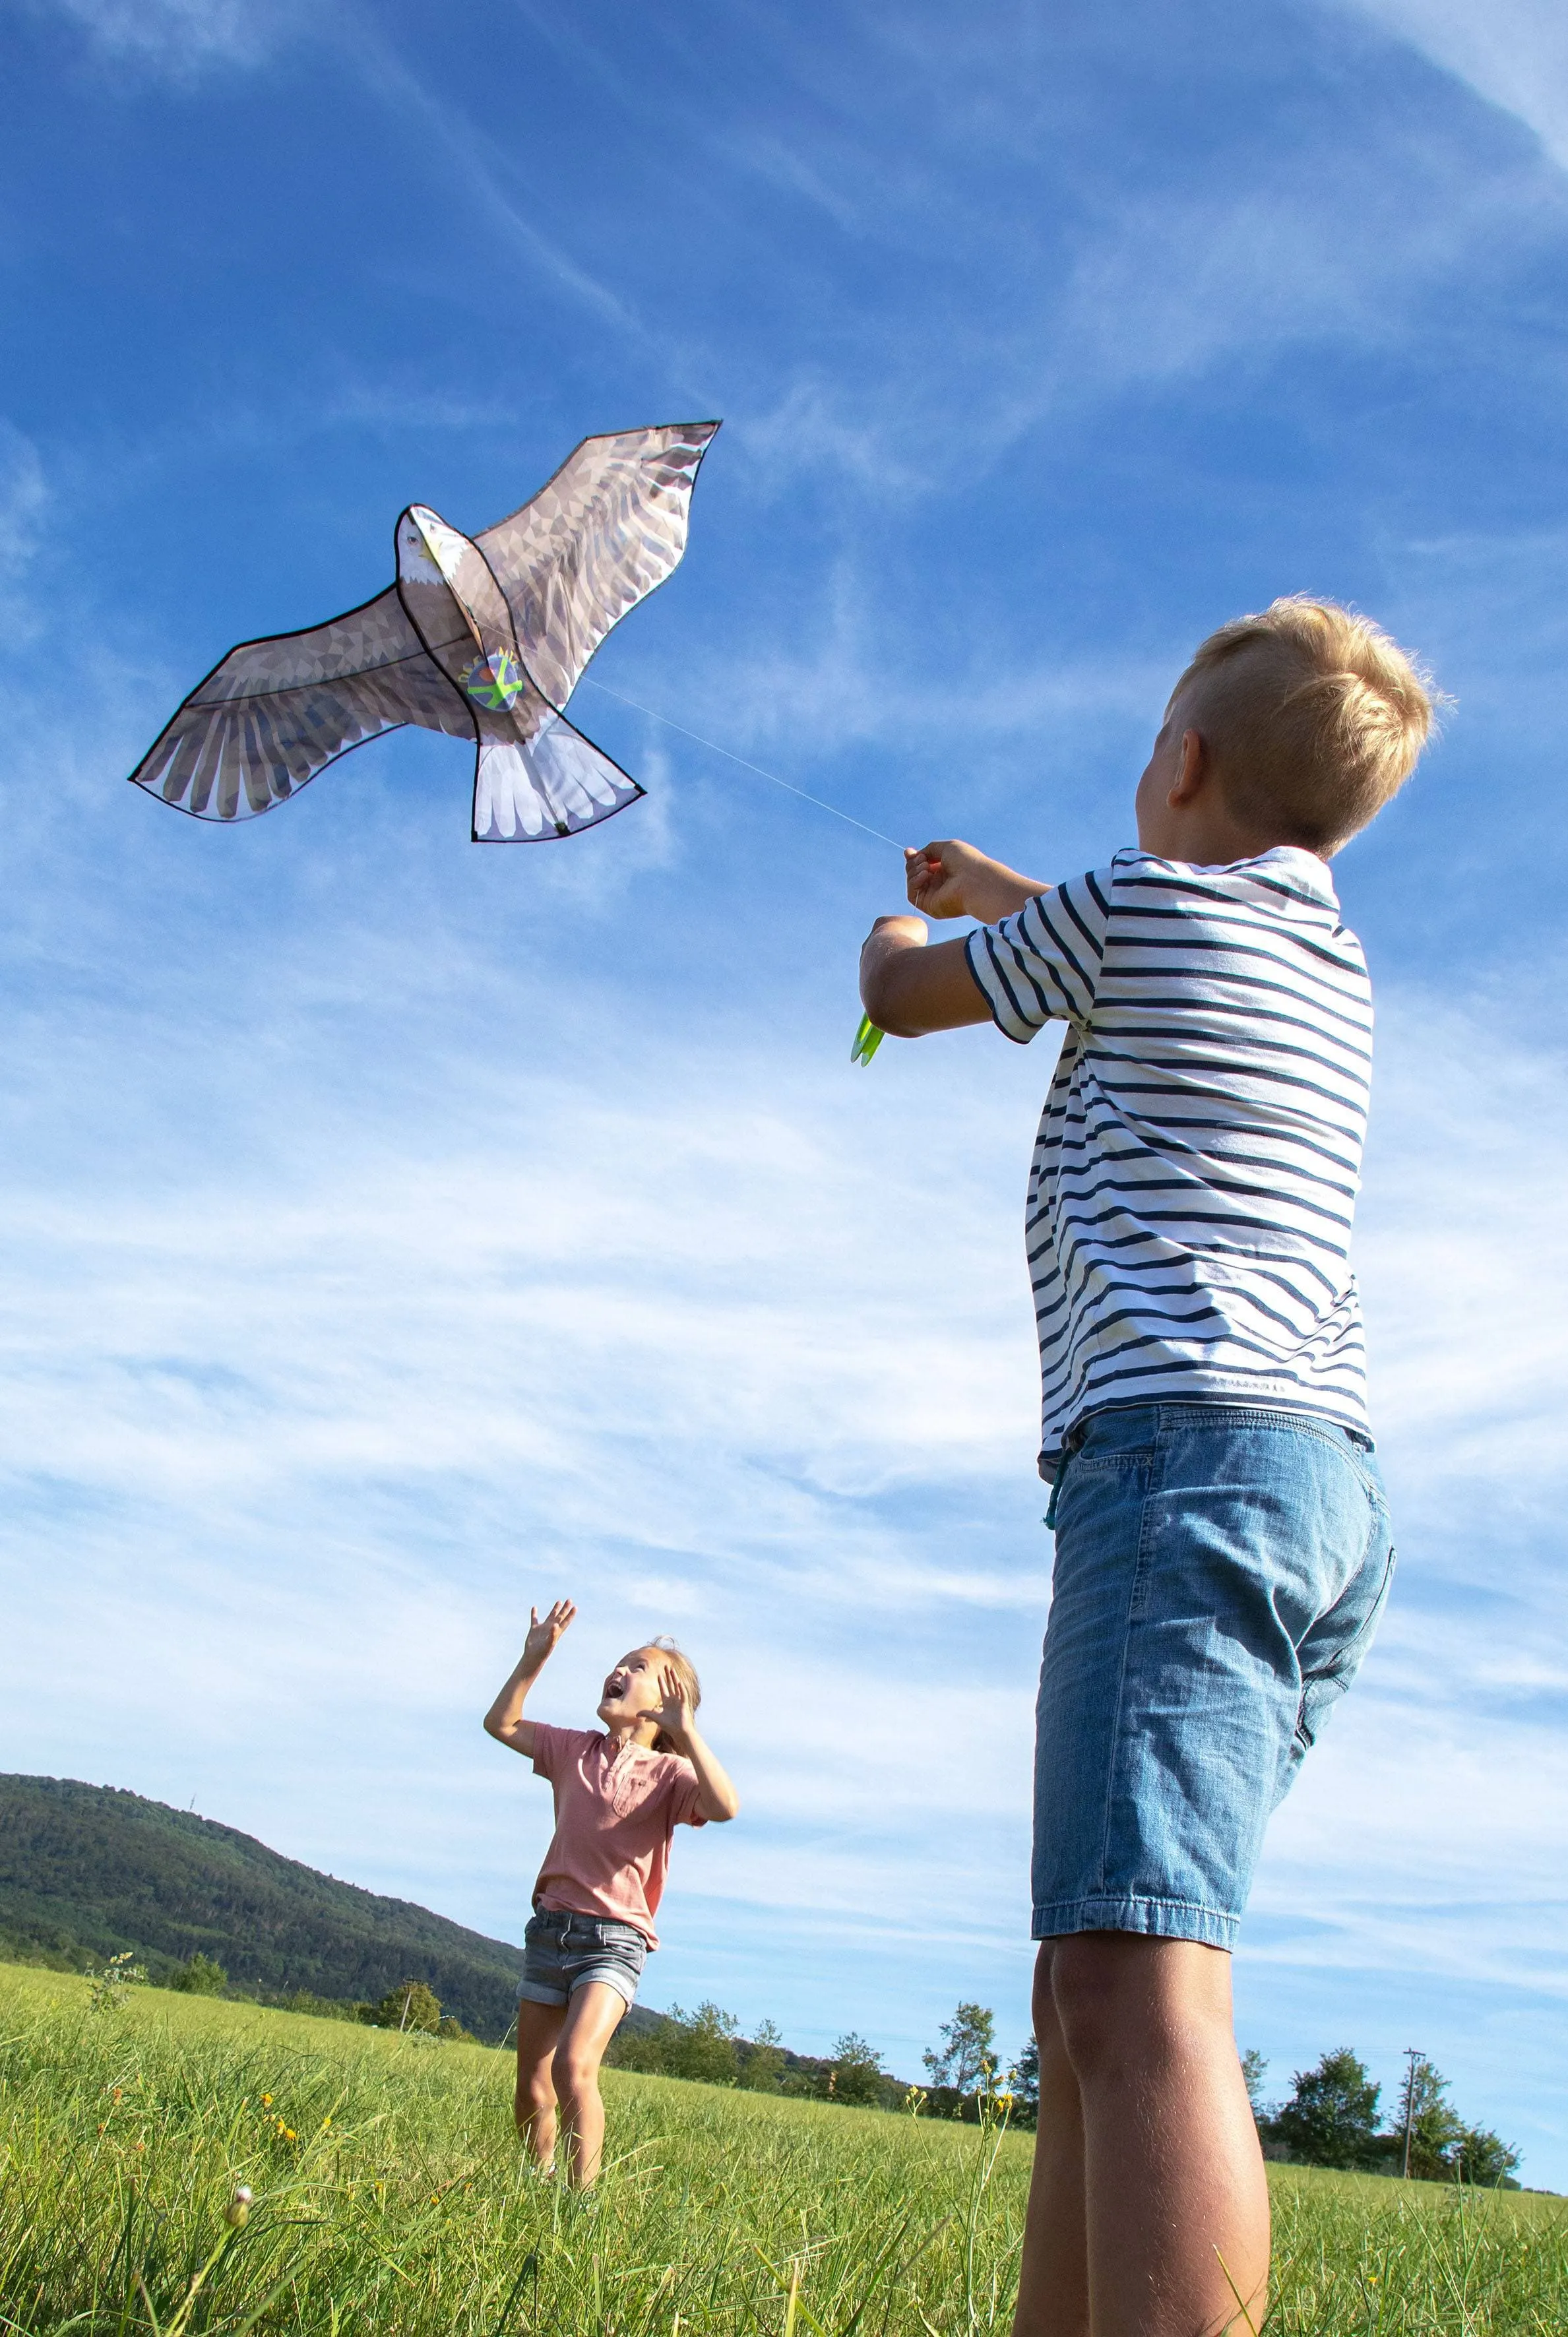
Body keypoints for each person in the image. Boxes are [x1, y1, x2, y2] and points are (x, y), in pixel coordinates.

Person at [858, 599, 1434, 2337]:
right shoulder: (1317, 957)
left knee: (1139, 1979)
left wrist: (902, 925)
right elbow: (1125, 927)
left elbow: (911, 993)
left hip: (1182, 1461)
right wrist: (1011, 888)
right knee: (1090, 1975)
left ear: (1176, 764)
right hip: (1312, 1483)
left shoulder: (1132, 905)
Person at [483, 1600, 739, 2186]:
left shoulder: (672, 1777)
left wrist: (687, 1731)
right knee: (531, 2083)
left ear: (665, 1702)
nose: (620, 1669)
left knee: (576, 2065)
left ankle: (581, 2202)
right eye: (619, 1662)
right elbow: (501, 1724)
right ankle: (539, 2180)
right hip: (550, 1930)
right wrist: (531, 1660)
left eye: (638, 1666)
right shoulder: (573, 1749)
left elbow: (725, 1807)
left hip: (614, 1940)